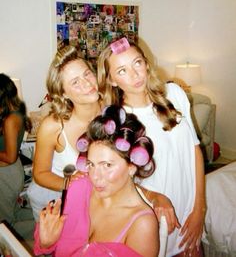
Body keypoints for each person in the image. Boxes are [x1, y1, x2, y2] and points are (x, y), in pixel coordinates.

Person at [97, 37, 206, 257]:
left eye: (137, 63)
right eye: (122, 71)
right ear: (112, 80)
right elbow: (120, 181)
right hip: (157, 216)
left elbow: (194, 149)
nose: (135, 74)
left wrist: (200, 208)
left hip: (190, 209)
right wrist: (155, 197)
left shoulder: (174, 94)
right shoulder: (118, 121)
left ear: (146, 63)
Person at [34, 105, 159, 257]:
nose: (95, 177)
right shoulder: (79, 187)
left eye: (107, 165)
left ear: (132, 167)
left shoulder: (142, 225)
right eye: (91, 165)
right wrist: (47, 243)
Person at [27, 46, 101, 221]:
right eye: (75, 82)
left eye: (87, 74)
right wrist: (71, 183)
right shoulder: (53, 126)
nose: (87, 84)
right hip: (56, 202)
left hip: (95, 203)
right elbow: (40, 174)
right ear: (64, 94)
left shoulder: (112, 112)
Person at [0, 73, 34, 239]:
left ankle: (43, 232)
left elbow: (10, 156)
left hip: (6, 174)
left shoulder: (11, 119)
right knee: (13, 212)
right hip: (9, 172)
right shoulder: (12, 113)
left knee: (5, 222)